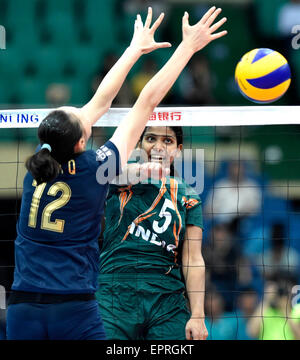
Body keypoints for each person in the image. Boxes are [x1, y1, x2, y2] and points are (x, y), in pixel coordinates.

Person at [5, 8, 184, 340]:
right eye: (78, 114)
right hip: (73, 309)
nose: (83, 109)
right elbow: (145, 103)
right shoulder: (96, 168)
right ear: (82, 141)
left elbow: (98, 104)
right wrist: (186, 47)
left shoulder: (37, 166)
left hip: (23, 305)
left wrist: (134, 48)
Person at [95, 8, 228, 340]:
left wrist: (198, 314)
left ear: (178, 150)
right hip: (113, 293)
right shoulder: (117, 175)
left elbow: (193, 258)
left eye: (167, 140)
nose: (158, 145)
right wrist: (139, 169)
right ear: (139, 143)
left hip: (167, 299)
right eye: (150, 138)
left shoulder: (188, 195)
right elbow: (105, 173)